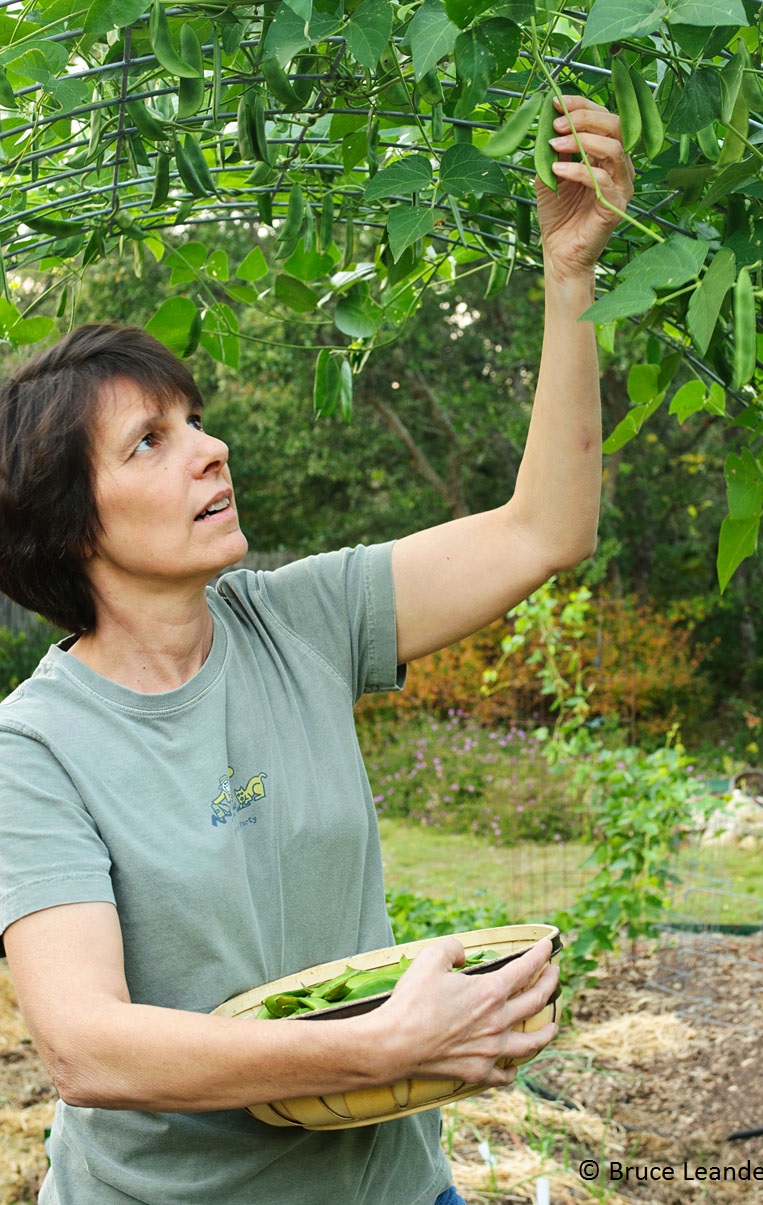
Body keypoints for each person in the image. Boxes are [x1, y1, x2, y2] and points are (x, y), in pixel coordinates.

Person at [0, 95, 633, 1205]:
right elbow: (87, 1046)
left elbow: (544, 529)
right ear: (66, 526)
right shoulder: (34, 749)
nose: (210, 450)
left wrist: (569, 271)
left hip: (393, 1185)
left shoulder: (298, 619)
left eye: (193, 420)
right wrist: (382, 1045)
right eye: (152, 440)